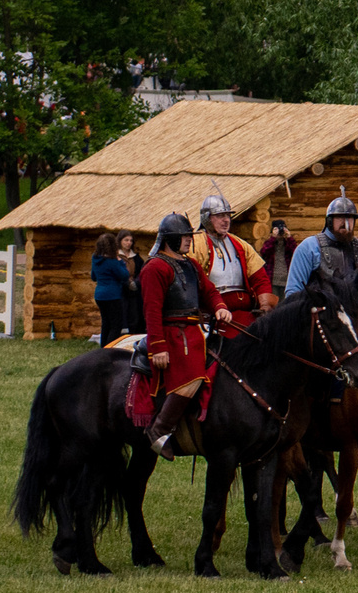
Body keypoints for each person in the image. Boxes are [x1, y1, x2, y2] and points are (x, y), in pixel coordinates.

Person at [138, 211, 234, 458]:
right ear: (170, 238)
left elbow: (209, 291)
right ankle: (159, 429)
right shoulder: (155, 267)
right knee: (193, 375)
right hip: (171, 335)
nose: (190, 240)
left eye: (190, 236)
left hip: (193, 334)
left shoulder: (190, 264)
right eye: (184, 236)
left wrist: (220, 307)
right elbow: (151, 311)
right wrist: (157, 347)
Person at [282, 193, 358, 329]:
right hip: (320, 320)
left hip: (355, 318)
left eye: (350, 218)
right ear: (329, 221)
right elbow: (293, 291)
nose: (346, 223)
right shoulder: (309, 247)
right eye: (340, 217)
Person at [189, 193, 273, 328]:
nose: (226, 220)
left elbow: (260, 279)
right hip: (213, 316)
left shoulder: (241, 245)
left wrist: (265, 306)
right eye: (220, 216)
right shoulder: (195, 244)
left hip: (245, 314)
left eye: (228, 215)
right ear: (207, 218)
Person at [91, 232, 134, 343]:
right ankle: (109, 349)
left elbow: (93, 277)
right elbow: (124, 275)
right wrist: (120, 262)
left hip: (99, 295)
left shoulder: (95, 259)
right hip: (112, 295)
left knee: (106, 323)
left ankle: (103, 348)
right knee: (116, 325)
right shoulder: (112, 261)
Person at [261, 219, 298, 296]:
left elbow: (295, 253)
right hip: (273, 279)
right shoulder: (269, 243)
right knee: (275, 304)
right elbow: (264, 252)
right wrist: (273, 238)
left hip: (287, 279)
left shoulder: (288, 243)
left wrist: (289, 237)